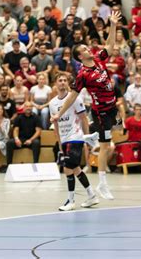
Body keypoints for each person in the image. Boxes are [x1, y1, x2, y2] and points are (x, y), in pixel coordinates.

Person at [51, 11, 121, 200]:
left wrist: (113, 24)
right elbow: (73, 96)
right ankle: (102, 184)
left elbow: (110, 45)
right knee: (106, 146)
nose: (88, 49)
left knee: (110, 137)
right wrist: (58, 114)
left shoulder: (98, 60)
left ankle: (90, 137)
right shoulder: (82, 75)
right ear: (80, 56)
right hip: (101, 112)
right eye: (84, 49)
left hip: (112, 107)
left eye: (87, 47)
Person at [49, 73, 99, 211]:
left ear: (68, 83)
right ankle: (91, 195)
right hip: (64, 139)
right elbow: (56, 124)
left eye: (65, 80)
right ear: (55, 83)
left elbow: (83, 118)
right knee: (75, 168)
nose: (63, 82)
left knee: (67, 167)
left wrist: (87, 137)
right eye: (60, 80)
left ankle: (71, 201)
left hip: (76, 136)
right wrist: (59, 142)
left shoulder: (75, 98)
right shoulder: (52, 103)